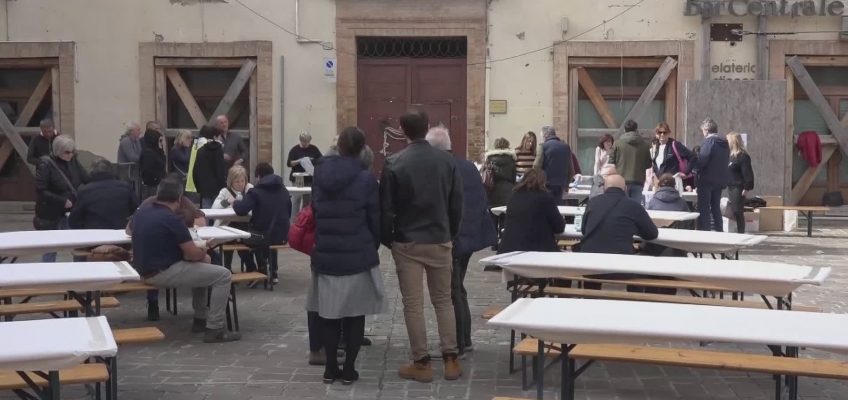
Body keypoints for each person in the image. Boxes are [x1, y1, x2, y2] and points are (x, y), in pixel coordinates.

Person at [380, 109, 463, 382]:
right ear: (427, 126)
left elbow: (387, 208)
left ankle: (422, 362)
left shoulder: (394, 162)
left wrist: (389, 238)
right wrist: (450, 233)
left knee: (413, 304)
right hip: (439, 237)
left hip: (408, 241)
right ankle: (451, 358)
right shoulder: (447, 161)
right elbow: (456, 203)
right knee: (443, 300)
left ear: (402, 131)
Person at [306, 127, 385, 385]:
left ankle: (330, 367)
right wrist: (372, 245)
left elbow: (315, 211)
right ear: (361, 149)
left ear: (338, 146)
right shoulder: (366, 179)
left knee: (328, 315)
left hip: (327, 253)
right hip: (357, 254)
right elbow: (375, 218)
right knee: (354, 315)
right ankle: (349, 369)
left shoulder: (320, 174)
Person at [129, 178, 240, 343]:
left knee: (202, 267)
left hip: (142, 269)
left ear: (157, 195)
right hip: (162, 272)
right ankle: (215, 328)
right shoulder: (172, 220)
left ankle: (200, 319)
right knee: (223, 275)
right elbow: (193, 254)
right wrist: (204, 250)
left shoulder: (142, 213)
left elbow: (128, 230)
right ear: (179, 199)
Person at [426, 126, 496, 358]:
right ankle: (462, 340)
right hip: (468, 237)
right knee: (457, 289)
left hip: (453, 238)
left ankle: (459, 343)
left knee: (452, 291)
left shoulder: (441, 168)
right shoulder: (466, 166)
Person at [233, 163, 291, 283]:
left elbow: (241, 210)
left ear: (258, 176)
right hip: (282, 236)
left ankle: (259, 269)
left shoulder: (256, 191)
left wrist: (235, 202)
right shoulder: (284, 190)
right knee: (269, 235)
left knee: (240, 238)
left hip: (262, 236)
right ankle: (273, 272)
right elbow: (289, 211)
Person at [34, 135, 88, 262]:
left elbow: (85, 177)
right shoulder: (46, 164)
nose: (70, 155)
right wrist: (62, 201)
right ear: (58, 151)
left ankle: (80, 274)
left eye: (72, 151)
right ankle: (48, 276)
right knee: (51, 249)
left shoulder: (73, 160)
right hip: (51, 214)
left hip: (70, 212)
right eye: (67, 152)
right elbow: (40, 190)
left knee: (78, 246)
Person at [579, 174, 658, 254]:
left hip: (590, 254)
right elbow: (652, 234)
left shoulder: (592, 202)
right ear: (625, 189)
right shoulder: (634, 206)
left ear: (603, 188)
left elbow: (584, 230)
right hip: (621, 257)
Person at [498, 168, 566, 254]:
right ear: (543, 181)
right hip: (538, 250)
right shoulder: (545, 198)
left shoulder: (513, 196)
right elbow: (559, 227)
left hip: (508, 249)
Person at [69, 159, 138, 229]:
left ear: (92, 172)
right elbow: (136, 211)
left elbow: (74, 221)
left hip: (94, 234)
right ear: (112, 171)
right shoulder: (125, 187)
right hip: (121, 233)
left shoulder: (85, 191)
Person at [213, 166, 256, 272]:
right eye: (237, 182)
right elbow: (215, 207)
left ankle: (251, 269)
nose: (240, 184)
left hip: (246, 224)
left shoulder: (250, 188)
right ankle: (227, 269)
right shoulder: (224, 191)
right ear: (231, 181)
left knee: (244, 245)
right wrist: (227, 202)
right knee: (229, 241)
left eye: (242, 181)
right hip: (228, 223)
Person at [691, 118, 729, 231]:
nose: (703, 133)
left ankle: (706, 232)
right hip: (719, 180)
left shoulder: (709, 142)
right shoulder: (724, 144)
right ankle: (719, 231)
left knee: (704, 208)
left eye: (703, 130)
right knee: (715, 207)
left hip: (706, 180)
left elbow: (703, 160)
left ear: (706, 130)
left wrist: (694, 168)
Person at [609, 119, 652, 203]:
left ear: (624, 130)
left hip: (621, 181)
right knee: (635, 209)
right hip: (638, 181)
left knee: (621, 208)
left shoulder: (617, 144)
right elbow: (648, 165)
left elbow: (611, 163)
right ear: (636, 130)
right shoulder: (645, 145)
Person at [533, 126, 571, 205]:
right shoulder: (566, 147)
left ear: (545, 136)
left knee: (545, 210)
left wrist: (536, 182)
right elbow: (571, 169)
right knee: (558, 209)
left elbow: (536, 166)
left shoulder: (543, 146)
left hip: (546, 185)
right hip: (561, 185)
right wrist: (567, 184)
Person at [193, 125, 228, 209]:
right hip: (218, 188)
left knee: (206, 214)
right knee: (218, 211)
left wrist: (198, 187)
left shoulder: (200, 150)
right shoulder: (219, 151)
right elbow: (221, 170)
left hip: (204, 188)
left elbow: (195, 170)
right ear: (215, 137)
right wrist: (224, 185)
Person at [727, 132, 755, 233]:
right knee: (734, 211)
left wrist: (747, 187)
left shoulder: (743, 156)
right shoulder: (730, 156)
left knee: (738, 211)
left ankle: (741, 232)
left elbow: (748, 173)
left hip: (738, 187)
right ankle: (736, 231)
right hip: (731, 186)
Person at [484, 137, 517, 208]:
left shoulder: (489, 159)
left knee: (493, 214)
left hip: (492, 190)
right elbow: (513, 177)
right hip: (508, 190)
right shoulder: (511, 159)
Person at [139, 129, 167, 199]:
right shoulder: (148, 153)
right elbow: (148, 169)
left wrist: (161, 149)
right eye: (160, 141)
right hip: (152, 185)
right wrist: (157, 177)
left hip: (158, 183)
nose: (161, 143)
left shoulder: (157, 151)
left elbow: (163, 162)